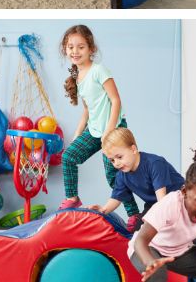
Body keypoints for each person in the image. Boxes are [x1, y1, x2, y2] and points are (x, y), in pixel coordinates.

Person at [57, 25, 142, 231]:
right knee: (68, 157)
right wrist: (78, 135)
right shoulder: (78, 77)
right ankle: (72, 198)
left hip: (113, 129)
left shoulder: (99, 70)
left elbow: (116, 100)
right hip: (95, 131)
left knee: (114, 175)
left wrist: (110, 131)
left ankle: (134, 215)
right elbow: (87, 111)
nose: (75, 51)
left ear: (91, 49)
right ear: (65, 50)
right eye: (70, 47)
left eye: (81, 47)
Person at [130, 140, 196, 282]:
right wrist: (150, 262)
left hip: (178, 253)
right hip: (148, 249)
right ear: (184, 191)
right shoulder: (171, 203)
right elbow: (141, 241)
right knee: (158, 271)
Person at [87, 128, 184, 232]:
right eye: (112, 160)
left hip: (179, 200)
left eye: (119, 157)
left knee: (169, 229)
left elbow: (163, 201)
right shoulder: (121, 175)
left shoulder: (154, 163)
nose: (116, 163)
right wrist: (102, 210)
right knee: (138, 233)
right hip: (154, 204)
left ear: (133, 149)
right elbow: (116, 198)